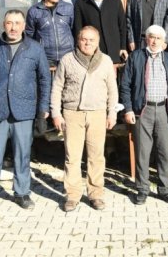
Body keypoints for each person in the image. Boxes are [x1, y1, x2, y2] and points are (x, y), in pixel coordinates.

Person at [0, 10, 51, 213]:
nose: (13, 27)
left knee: (22, 155)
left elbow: (44, 79)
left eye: (17, 23)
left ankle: (22, 193)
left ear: (24, 26)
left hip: (24, 111)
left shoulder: (34, 49)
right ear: (3, 25)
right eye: (9, 23)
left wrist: (43, 108)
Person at [50, 26, 118, 212]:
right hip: (72, 113)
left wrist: (112, 113)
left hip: (97, 113)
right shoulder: (67, 59)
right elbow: (57, 87)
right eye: (84, 39)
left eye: (91, 40)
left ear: (97, 42)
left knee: (96, 156)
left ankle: (95, 194)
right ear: (78, 40)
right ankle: (72, 195)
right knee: (72, 156)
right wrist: (56, 113)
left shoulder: (105, 61)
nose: (87, 43)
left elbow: (112, 89)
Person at [120, 25, 168, 205]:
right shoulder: (136, 57)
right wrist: (128, 109)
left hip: (164, 110)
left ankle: (165, 189)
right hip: (142, 110)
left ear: (164, 41)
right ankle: (142, 189)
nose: (154, 41)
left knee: (164, 152)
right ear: (146, 39)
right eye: (151, 37)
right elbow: (125, 85)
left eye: (158, 38)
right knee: (142, 152)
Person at [73, 0, 127, 64]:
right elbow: (78, 28)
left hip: (113, 50)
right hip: (92, 50)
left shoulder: (115, 0)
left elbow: (122, 25)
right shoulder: (81, 2)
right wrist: (81, 48)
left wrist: (123, 47)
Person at [25, 0, 75, 66]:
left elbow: (74, 28)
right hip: (45, 56)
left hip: (67, 54)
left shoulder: (68, 7)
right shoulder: (34, 11)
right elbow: (30, 33)